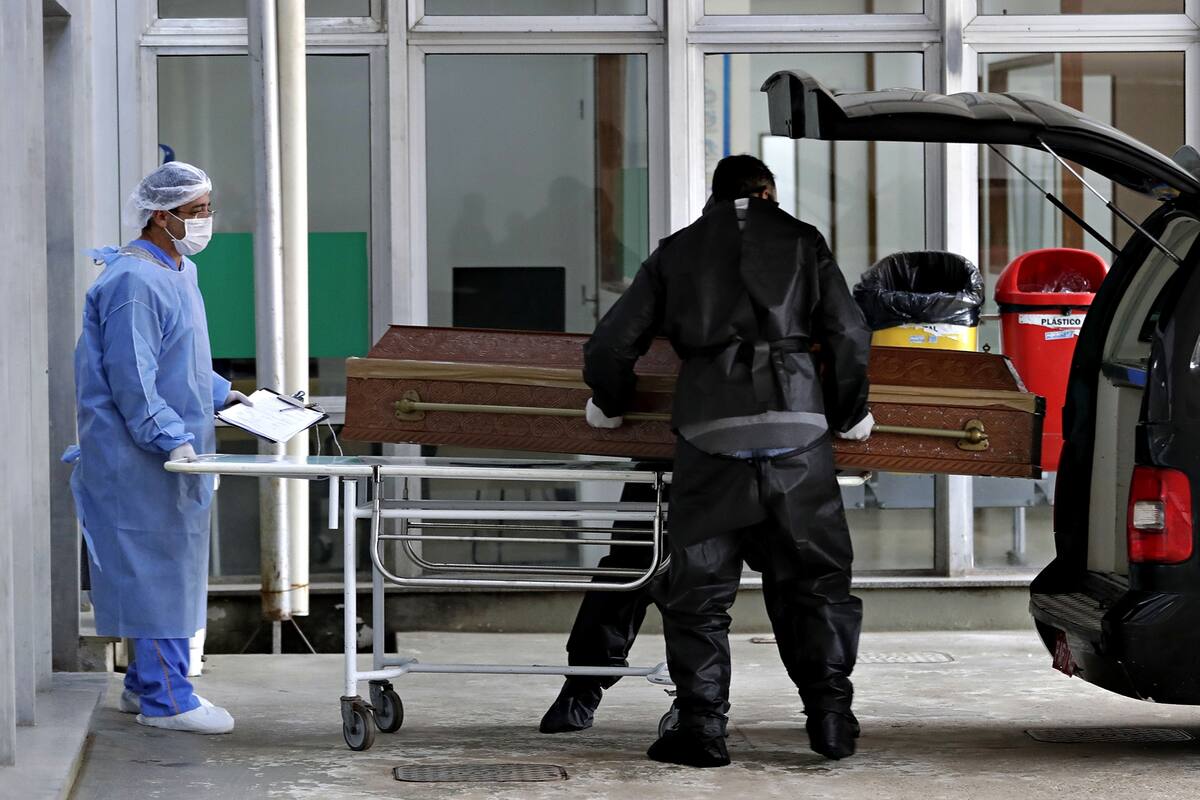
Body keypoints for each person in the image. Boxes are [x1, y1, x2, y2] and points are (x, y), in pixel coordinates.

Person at [580, 155, 873, 767]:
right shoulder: (803, 240)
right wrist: (848, 412)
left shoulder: (676, 250)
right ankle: (830, 722)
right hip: (798, 433)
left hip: (710, 434)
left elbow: (612, 342)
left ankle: (703, 730)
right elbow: (848, 333)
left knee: (700, 592)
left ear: (714, 198)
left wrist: (609, 403)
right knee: (816, 583)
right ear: (767, 193)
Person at [66, 161, 251, 735]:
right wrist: (172, 438)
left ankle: (143, 685)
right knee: (158, 574)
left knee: (165, 572)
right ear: (160, 215)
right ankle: (168, 699)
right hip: (140, 459)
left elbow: (183, 361)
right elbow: (133, 378)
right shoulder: (133, 282)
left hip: (169, 455)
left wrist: (232, 398)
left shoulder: (179, 273)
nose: (205, 221)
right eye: (196, 212)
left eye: (207, 209)